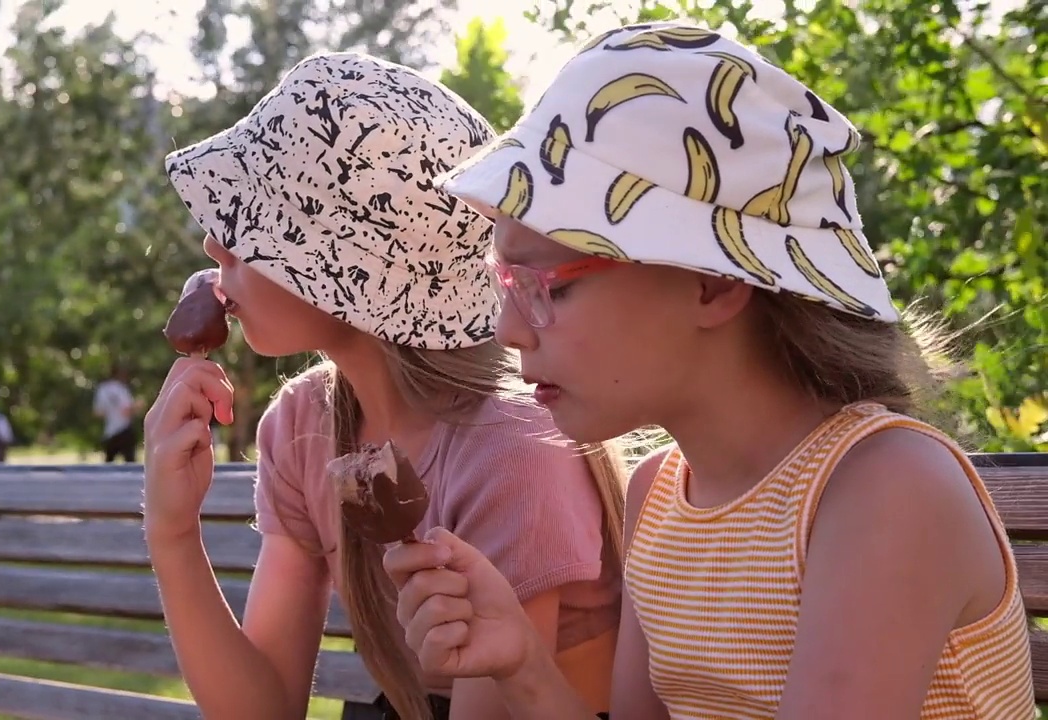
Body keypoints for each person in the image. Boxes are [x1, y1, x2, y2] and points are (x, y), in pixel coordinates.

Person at [384, 22, 1035, 720]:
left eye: (550, 286)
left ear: (713, 284)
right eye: (506, 283)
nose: (509, 329)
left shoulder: (883, 489)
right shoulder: (660, 493)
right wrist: (522, 667)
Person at [143, 52, 630, 720]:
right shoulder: (302, 423)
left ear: (339, 267)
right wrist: (172, 532)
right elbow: (259, 709)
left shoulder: (514, 448)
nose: (212, 246)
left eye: (246, 225)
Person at [94, 364, 140, 463]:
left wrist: (111, 411)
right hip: (124, 429)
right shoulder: (121, 389)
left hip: (110, 431)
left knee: (109, 462)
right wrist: (137, 406)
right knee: (130, 464)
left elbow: (98, 413)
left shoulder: (103, 389)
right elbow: (126, 411)